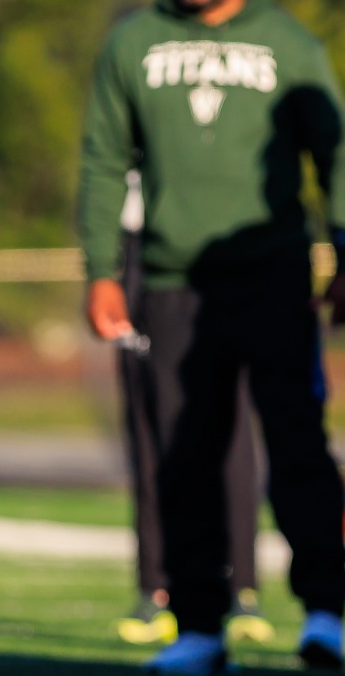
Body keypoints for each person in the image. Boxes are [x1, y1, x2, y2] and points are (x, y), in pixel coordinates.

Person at [79, 0, 345, 676]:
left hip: (273, 280)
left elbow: (335, 153)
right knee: (185, 455)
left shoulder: (289, 44)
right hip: (174, 282)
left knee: (298, 444)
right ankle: (200, 621)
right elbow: (104, 161)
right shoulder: (133, 43)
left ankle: (323, 610)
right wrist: (102, 271)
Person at [110, 178, 268, 648]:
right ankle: (158, 587)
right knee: (153, 431)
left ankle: (242, 587)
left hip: (223, 242)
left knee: (233, 430)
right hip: (147, 247)